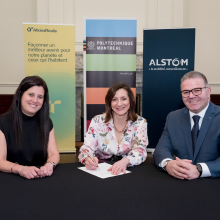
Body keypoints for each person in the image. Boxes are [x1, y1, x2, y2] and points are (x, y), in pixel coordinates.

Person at [154, 71, 220, 179]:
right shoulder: (173, 117)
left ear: (208, 91)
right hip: (179, 184)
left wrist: (200, 169)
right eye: (186, 92)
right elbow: (161, 149)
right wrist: (168, 164)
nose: (191, 96)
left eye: (197, 90)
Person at [79, 83, 148, 175]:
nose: (119, 104)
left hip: (128, 170)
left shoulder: (140, 123)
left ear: (130, 101)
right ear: (109, 103)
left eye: (123, 99)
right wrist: (87, 159)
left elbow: (140, 151)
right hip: (100, 171)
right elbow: (87, 148)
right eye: (114, 99)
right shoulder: (97, 121)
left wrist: (125, 161)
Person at [0, 76, 60, 179]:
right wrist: (21, 169)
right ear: (20, 95)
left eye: (40, 97)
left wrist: (50, 165)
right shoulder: (3, 122)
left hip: (38, 178)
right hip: (11, 178)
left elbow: (54, 153)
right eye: (31, 95)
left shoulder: (46, 122)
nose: (35, 100)